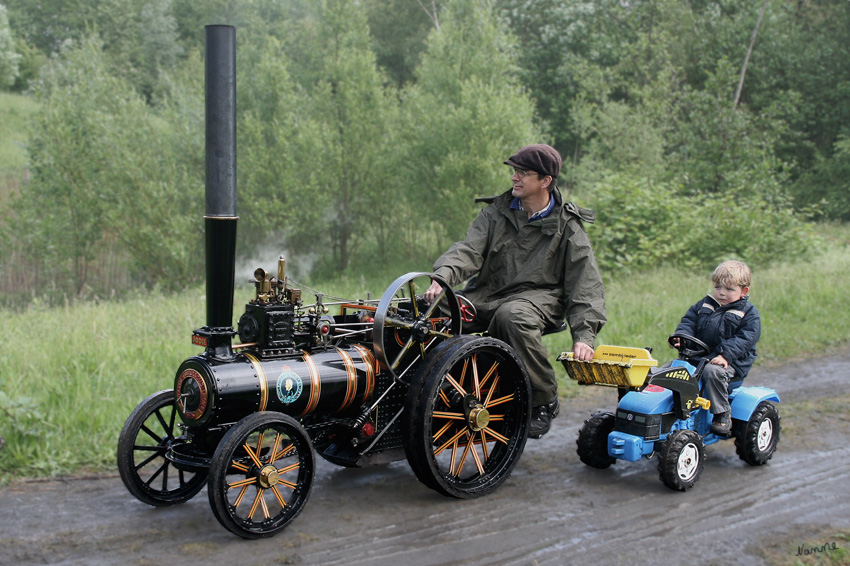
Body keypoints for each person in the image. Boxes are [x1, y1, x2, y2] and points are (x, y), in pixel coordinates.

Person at [424, 144, 606, 439]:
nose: (514, 178)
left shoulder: (568, 226)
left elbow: (585, 284)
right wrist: (443, 277)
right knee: (430, 310)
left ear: (545, 181)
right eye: (514, 171)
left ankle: (543, 400)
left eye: (523, 173)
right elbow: (468, 250)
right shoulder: (495, 213)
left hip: (541, 297)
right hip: (489, 293)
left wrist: (584, 336)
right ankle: (431, 388)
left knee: (511, 316)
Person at [670, 260, 761, 435]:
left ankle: (721, 414)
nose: (722, 293)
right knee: (670, 370)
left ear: (744, 291)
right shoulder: (705, 304)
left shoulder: (748, 313)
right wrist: (681, 339)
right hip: (698, 358)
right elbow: (688, 322)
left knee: (712, 372)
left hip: (730, 363)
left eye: (729, 289)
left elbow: (745, 339)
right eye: (718, 287)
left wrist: (725, 355)